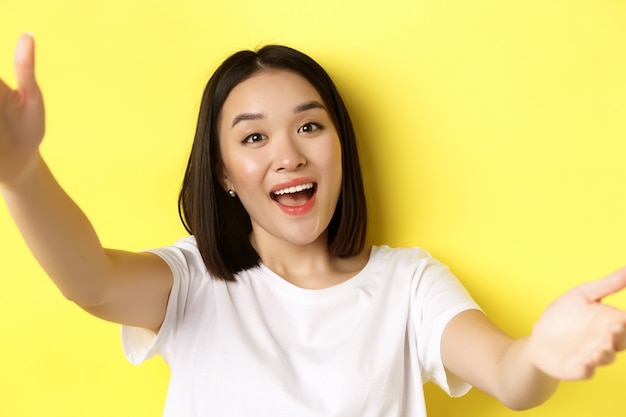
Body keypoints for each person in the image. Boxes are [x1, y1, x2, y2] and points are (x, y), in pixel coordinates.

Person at [1, 33, 626, 417]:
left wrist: (541, 353)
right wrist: (23, 174)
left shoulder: (408, 284)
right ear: (223, 173)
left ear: (339, 146)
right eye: (253, 137)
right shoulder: (190, 281)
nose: (288, 155)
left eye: (309, 125)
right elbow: (91, 281)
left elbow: (510, 376)